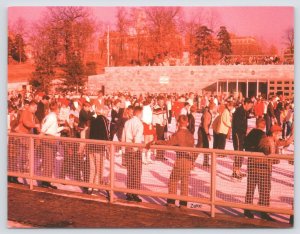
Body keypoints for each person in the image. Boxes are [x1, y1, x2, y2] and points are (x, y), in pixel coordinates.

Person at [246, 124, 293, 221]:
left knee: (263, 190)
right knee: (258, 189)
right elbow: (267, 153)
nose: (280, 136)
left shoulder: (273, 141)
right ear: (274, 133)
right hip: (259, 168)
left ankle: (261, 210)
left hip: (262, 168)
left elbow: (286, 142)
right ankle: (253, 211)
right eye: (279, 134)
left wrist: (293, 134)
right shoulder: (267, 140)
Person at [146, 115, 195, 207]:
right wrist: (192, 162)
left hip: (180, 160)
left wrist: (155, 142)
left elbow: (168, 143)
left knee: (173, 180)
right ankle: (184, 203)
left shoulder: (178, 134)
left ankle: (171, 202)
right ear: (187, 123)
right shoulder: (190, 135)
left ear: (178, 123)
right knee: (185, 182)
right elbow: (193, 149)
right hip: (188, 160)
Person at [243, 118, 267, 219]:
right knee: (263, 188)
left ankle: (247, 209)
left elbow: (245, 145)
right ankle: (263, 210)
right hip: (261, 165)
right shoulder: (263, 135)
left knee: (250, 187)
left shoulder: (250, 133)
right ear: (263, 125)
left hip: (251, 163)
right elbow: (264, 149)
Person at [40, 102, 68, 189]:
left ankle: (46, 181)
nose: (59, 111)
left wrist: (63, 128)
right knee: (48, 161)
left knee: (49, 161)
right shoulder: (52, 117)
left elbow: (53, 129)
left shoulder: (49, 116)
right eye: (58, 109)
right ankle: (45, 182)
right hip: (49, 139)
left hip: (50, 139)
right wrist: (41, 134)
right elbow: (45, 127)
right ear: (56, 108)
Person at [86, 107, 110, 196]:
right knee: (98, 169)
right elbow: (107, 133)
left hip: (90, 146)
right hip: (98, 147)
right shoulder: (103, 119)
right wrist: (108, 145)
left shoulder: (93, 118)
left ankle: (89, 187)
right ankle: (95, 188)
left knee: (92, 169)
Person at [122, 106, 144, 202]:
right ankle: (135, 193)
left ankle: (129, 193)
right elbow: (138, 137)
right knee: (137, 172)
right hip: (135, 149)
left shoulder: (127, 122)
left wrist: (123, 149)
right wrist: (136, 148)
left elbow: (123, 136)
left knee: (130, 172)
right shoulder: (139, 123)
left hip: (127, 147)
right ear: (139, 113)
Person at [232, 98, 253, 179]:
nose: (250, 107)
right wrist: (244, 131)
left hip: (242, 135)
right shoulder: (239, 111)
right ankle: (235, 171)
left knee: (240, 153)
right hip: (237, 134)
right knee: (238, 152)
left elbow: (245, 119)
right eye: (250, 105)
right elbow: (237, 125)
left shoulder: (244, 111)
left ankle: (238, 170)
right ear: (245, 103)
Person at [197, 102, 214, 166]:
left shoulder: (208, 112)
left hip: (203, 131)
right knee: (200, 146)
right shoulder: (207, 113)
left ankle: (206, 161)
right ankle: (191, 160)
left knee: (205, 146)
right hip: (202, 131)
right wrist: (207, 134)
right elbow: (205, 125)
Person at [152, 96, 168, 161]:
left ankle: (162, 155)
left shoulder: (164, 107)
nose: (162, 103)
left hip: (164, 125)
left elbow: (165, 115)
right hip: (159, 126)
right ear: (158, 101)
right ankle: (158, 155)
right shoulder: (155, 108)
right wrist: (160, 123)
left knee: (163, 140)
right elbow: (154, 118)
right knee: (159, 140)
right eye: (161, 101)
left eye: (163, 101)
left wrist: (165, 120)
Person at [142, 99, 155, 164]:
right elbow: (144, 118)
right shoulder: (145, 108)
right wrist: (148, 123)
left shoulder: (149, 108)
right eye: (152, 100)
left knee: (150, 141)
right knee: (147, 141)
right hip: (147, 125)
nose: (153, 101)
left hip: (149, 125)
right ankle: (143, 157)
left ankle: (148, 157)